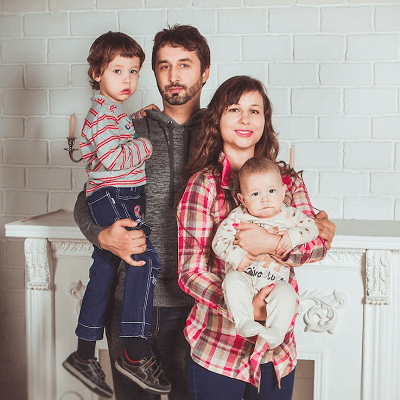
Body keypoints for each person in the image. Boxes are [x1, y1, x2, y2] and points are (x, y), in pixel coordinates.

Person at [73, 25, 211, 400]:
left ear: (205, 72)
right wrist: (102, 236)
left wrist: (313, 219)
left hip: (198, 305)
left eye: (185, 64)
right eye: (164, 66)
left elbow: (261, 189)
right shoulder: (130, 127)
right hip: (132, 300)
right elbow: (88, 196)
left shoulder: (222, 131)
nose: (174, 75)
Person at [177, 75, 332, 400]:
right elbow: (190, 271)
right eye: (234, 109)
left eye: (255, 111)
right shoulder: (203, 186)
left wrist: (271, 244)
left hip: (277, 353)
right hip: (218, 349)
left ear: (265, 120)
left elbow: (315, 245)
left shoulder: (286, 181)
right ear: (217, 119)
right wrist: (244, 307)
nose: (245, 119)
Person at [62, 31, 170, 398]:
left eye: (134, 72)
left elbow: (115, 135)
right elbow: (114, 157)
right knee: (145, 262)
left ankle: (84, 352)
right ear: (96, 73)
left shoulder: (113, 114)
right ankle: (134, 352)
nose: (127, 80)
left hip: (115, 194)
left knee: (105, 271)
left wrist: (135, 119)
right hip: (113, 196)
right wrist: (145, 144)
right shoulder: (101, 116)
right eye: (117, 71)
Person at [212, 156, 319, 352]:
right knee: (232, 280)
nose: (265, 199)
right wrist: (237, 257)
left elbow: (312, 228)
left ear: (283, 192)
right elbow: (218, 242)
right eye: (255, 194)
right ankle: (244, 322)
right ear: (242, 199)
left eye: (271, 191)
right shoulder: (238, 216)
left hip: (275, 284)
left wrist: (291, 237)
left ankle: (277, 332)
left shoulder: (290, 215)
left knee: (287, 293)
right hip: (246, 280)